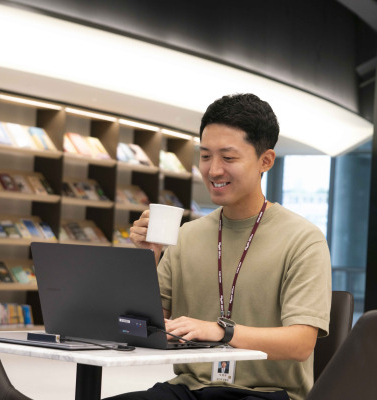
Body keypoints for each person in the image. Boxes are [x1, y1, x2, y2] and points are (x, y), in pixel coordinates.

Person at [109, 94, 331, 400]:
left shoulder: (303, 239)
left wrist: (221, 331)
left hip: (267, 395)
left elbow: (301, 344)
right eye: (205, 156)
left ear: (265, 161)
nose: (213, 171)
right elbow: (139, 329)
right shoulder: (187, 236)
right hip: (190, 389)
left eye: (228, 158)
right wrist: (148, 256)